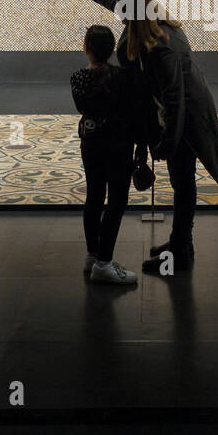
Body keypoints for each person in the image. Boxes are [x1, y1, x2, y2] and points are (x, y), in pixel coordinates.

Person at [63, 0, 218, 275]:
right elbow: (116, 2)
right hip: (177, 114)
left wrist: (167, 141)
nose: (120, 17)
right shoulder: (154, 25)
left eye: (124, 15)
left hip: (187, 121)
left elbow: (175, 100)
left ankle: (179, 251)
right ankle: (180, 243)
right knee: (183, 181)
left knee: (183, 180)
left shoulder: (163, 46)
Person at [70, 24, 142, 285]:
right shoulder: (122, 77)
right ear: (112, 49)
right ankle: (104, 262)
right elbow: (132, 114)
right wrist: (141, 147)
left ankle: (92, 256)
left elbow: (85, 107)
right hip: (118, 145)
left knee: (94, 197)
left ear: (86, 48)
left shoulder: (77, 78)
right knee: (117, 201)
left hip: (90, 143)